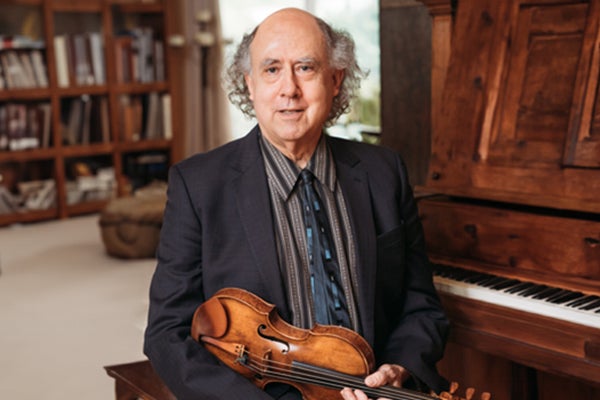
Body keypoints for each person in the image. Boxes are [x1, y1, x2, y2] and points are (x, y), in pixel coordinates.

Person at [144, 7, 449, 400]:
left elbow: (420, 300)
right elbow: (166, 333)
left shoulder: (384, 171)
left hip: (377, 390)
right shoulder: (198, 185)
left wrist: (399, 367)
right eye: (271, 70)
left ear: (335, 79)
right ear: (250, 84)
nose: (289, 88)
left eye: (305, 67)